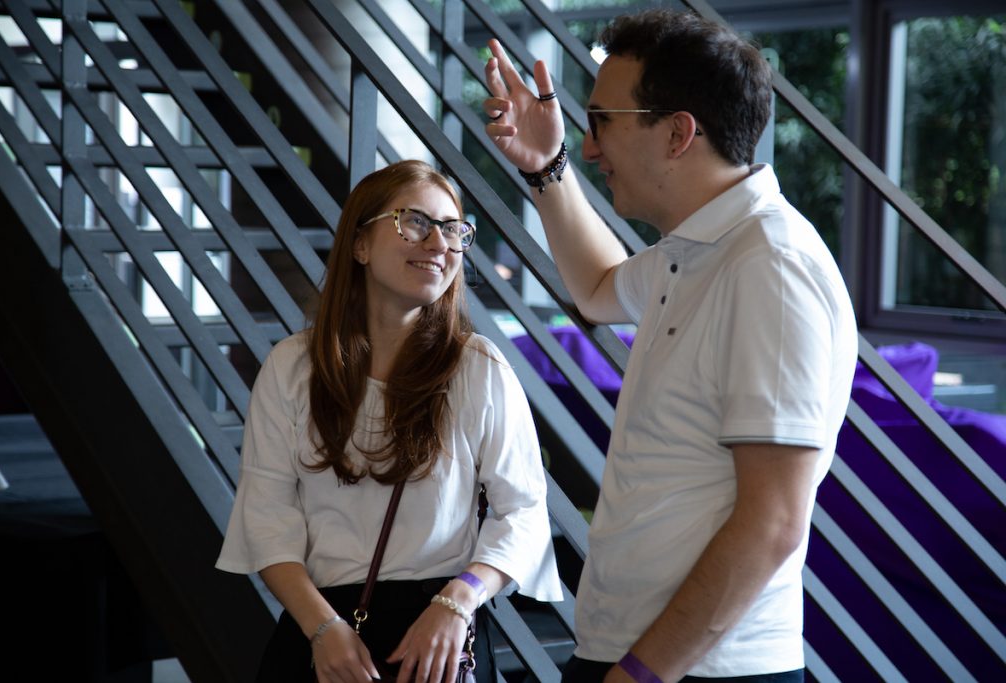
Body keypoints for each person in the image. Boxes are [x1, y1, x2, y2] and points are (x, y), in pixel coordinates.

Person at [483, 9, 857, 683]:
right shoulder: (695, 249)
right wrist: (547, 167)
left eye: (602, 122)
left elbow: (772, 523)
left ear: (679, 132)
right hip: (641, 654)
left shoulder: (768, 265)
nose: (591, 148)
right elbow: (598, 287)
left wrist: (643, 673)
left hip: (696, 669)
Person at [216, 160, 562, 683]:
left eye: (452, 230)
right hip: (323, 634)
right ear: (360, 245)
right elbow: (267, 521)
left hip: (439, 635)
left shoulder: (478, 367)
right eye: (415, 222)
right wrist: (321, 628)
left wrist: (456, 603)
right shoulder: (293, 367)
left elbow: (525, 514)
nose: (439, 243)